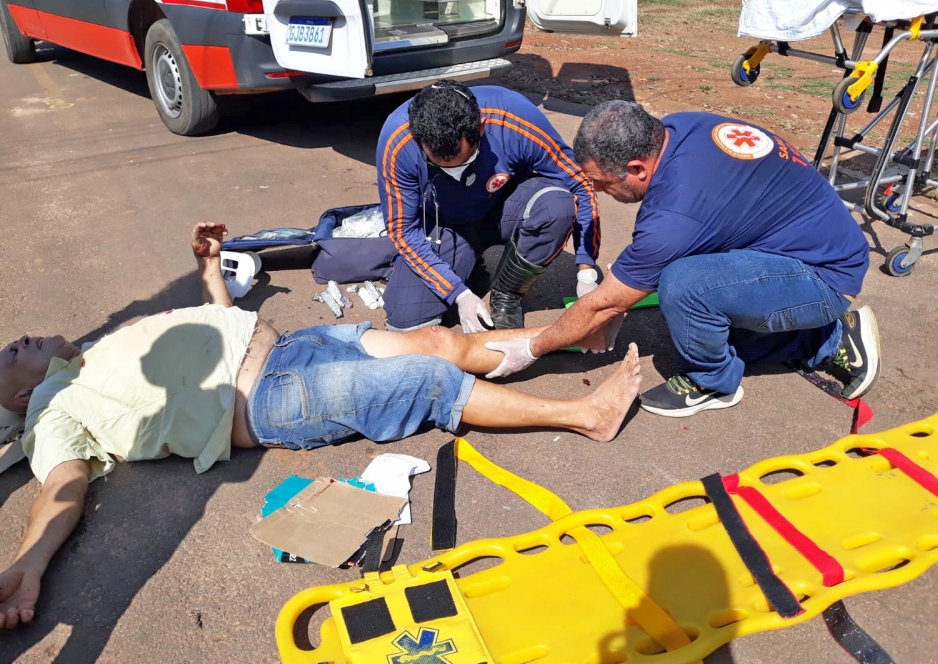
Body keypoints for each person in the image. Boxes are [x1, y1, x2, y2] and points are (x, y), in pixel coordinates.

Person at [0, 222, 639, 631]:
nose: (18, 339)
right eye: (11, 355)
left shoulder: (95, 353)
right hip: (276, 397)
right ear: (23, 394)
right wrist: (29, 565)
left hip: (294, 346)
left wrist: (210, 269)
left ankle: (567, 336)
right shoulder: (54, 409)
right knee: (431, 383)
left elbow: (219, 326)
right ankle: (585, 416)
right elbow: (63, 484)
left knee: (440, 343)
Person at [484, 103, 881, 418]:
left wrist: (533, 348)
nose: (600, 193)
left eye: (604, 183)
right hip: (805, 244)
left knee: (685, 288)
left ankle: (714, 382)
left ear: (637, 167)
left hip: (822, 277)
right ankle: (825, 338)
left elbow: (609, 298)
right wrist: (619, 298)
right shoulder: (676, 130)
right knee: (708, 329)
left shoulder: (675, 215)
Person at [376, 80, 601, 332]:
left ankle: (507, 293)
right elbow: (403, 230)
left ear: (481, 129)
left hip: (503, 208)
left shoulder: (511, 117)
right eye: (440, 165)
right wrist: (458, 294)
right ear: (419, 143)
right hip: (445, 227)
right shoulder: (398, 139)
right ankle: (468, 268)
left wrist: (586, 272)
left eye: (464, 161)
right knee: (407, 323)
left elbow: (580, 182)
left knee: (557, 206)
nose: (455, 174)